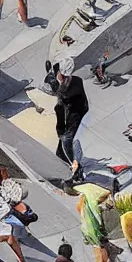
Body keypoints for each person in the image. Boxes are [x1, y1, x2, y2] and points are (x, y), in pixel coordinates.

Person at [54, 57, 89, 187]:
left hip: (70, 122)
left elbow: (60, 113)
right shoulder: (77, 81)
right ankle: (65, 166)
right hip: (76, 118)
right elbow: (85, 105)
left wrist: (60, 130)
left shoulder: (65, 93)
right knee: (61, 150)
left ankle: (76, 172)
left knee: (66, 146)